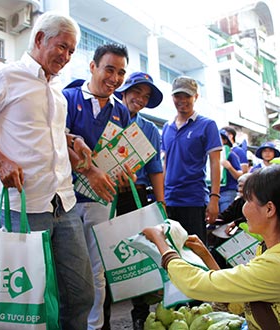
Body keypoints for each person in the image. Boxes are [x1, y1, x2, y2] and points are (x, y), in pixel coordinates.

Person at [0, 12, 95, 329]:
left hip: (64, 202)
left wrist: (73, 140)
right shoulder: (6, 76)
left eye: (72, 51)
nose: (66, 56)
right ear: (38, 39)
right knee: (26, 305)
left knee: (79, 294)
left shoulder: (56, 89)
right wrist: (1, 160)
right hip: (22, 206)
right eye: (62, 47)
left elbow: (44, 133)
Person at [143, 165, 280, 329]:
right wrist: (205, 255)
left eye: (248, 200)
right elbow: (240, 301)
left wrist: (162, 242)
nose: (243, 208)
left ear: (269, 209)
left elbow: (197, 284)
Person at [63, 43, 132, 330]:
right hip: (65, 200)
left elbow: (125, 152)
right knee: (66, 271)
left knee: (97, 271)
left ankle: (94, 327)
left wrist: (126, 173)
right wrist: (88, 171)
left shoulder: (122, 112)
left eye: (121, 73)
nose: (115, 79)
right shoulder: (67, 98)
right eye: (109, 69)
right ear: (92, 67)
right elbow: (56, 141)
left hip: (102, 202)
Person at [107, 71, 165, 330]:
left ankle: (140, 314)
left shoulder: (150, 129)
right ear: (124, 91)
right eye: (136, 92)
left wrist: (161, 205)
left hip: (136, 194)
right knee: (106, 254)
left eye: (146, 96)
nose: (140, 99)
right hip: (104, 193)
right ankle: (102, 317)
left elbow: (155, 168)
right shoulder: (106, 115)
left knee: (139, 254)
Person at [162, 76, 222, 245]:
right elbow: (165, 163)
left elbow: (215, 163)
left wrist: (214, 199)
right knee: (171, 250)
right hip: (169, 200)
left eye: (187, 96)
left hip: (193, 200)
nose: (182, 101)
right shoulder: (167, 127)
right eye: (178, 96)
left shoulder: (207, 125)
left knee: (195, 251)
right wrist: (162, 197)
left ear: (196, 97)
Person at [206, 173, 251, 269]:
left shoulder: (256, 202)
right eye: (239, 185)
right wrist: (211, 219)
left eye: (242, 186)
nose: (239, 189)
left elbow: (250, 217)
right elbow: (226, 216)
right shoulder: (239, 201)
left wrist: (235, 223)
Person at [219, 128, 242, 212]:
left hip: (227, 192)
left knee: (224, 220)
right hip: (211, 192)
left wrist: (229, 167)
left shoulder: (230, 155)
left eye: (219, 138)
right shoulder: (208, 155)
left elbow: (239, 176)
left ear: (224, 141)